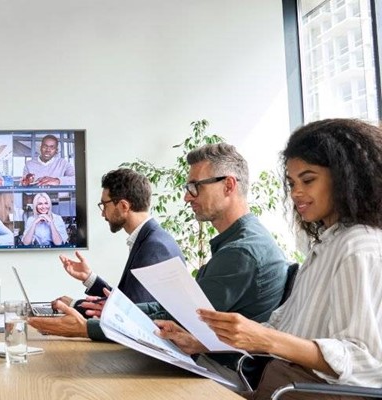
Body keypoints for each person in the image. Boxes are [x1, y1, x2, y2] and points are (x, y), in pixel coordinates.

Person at [29, 144, 288, 388]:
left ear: (229, 185)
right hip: (210, 361)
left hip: (222, 373)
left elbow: (183, 319)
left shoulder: (241, 252)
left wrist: (88, 328)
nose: (187, 196)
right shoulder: (237, 243)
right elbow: (176, 309)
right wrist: (107, 311)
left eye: (195, 187)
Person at [160, 118, 382, 399]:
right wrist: (201, 342)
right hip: (280, 384)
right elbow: (278, 328)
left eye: (308, 180)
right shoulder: (326, 244)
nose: (296, 193)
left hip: (305, 392)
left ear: (346, 177)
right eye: (291, 183)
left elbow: (363, 360)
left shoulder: (359, 247)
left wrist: (266, 339)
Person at [34, 168, 185, 311]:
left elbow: (132, 314)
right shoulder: (149, 238)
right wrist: (89, 277)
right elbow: (128, 301)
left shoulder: (154, 247)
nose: (102, 214)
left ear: (124, 206)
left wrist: (74, 305)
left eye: (104, 205)